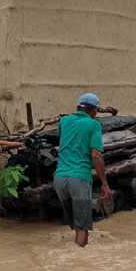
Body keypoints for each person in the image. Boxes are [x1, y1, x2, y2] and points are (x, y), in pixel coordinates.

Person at [53, 93, 110, 247]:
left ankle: (73, 254)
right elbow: (96, 155)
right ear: (95, 111)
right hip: (79, 179)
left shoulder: (64, 121)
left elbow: (62, 137)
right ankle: (79, 261)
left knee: (76, 224)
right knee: (83, 226)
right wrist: (104, 184)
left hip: (59, 179)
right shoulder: (94, 124)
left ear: (77, 107)